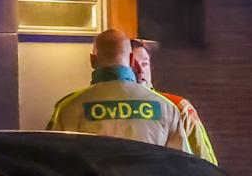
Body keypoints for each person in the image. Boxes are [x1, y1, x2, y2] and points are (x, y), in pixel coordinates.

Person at [47, 29, 211, 157]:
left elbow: (54, 165)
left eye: (145, 64)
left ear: (92, 60)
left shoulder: (69, 108)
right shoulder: (167, 108)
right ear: (131, 60)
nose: (140, 71)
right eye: (137, 65)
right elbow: (189, 169)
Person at [129, 39, 217, 163]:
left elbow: (206, 162)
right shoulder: (116, 107)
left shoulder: (179, 107)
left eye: (144, 64)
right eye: (132, 66)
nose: (140, 71)